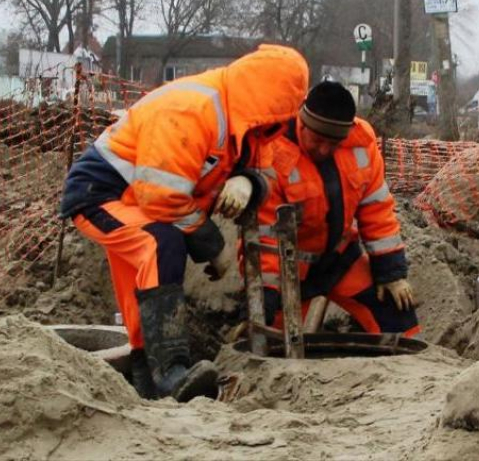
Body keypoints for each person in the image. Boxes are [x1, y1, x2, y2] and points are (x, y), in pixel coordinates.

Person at [60, 44, 309, 401]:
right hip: (100, 194)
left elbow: (270, 171)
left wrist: (249, 181)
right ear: (268, 100)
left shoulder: (250, 124)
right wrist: (213, 248)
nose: (283, 122)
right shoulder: (193, 110)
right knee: (161, 244)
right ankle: (171, 373)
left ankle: (148, 384)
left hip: (137, 200)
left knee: (144, 283)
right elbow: (162, 197)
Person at [254, 81, 419, 337]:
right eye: (317, 140)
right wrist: (265, 296)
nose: (324, 149)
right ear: (302, 123)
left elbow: (376, 210)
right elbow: (265, 234)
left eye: (333, 143)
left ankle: (415, 373)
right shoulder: (272, 151)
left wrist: (391, 272)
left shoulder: (361, 142)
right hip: (291, 270)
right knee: (268, 339)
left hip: (340, 259)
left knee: (398, 313)